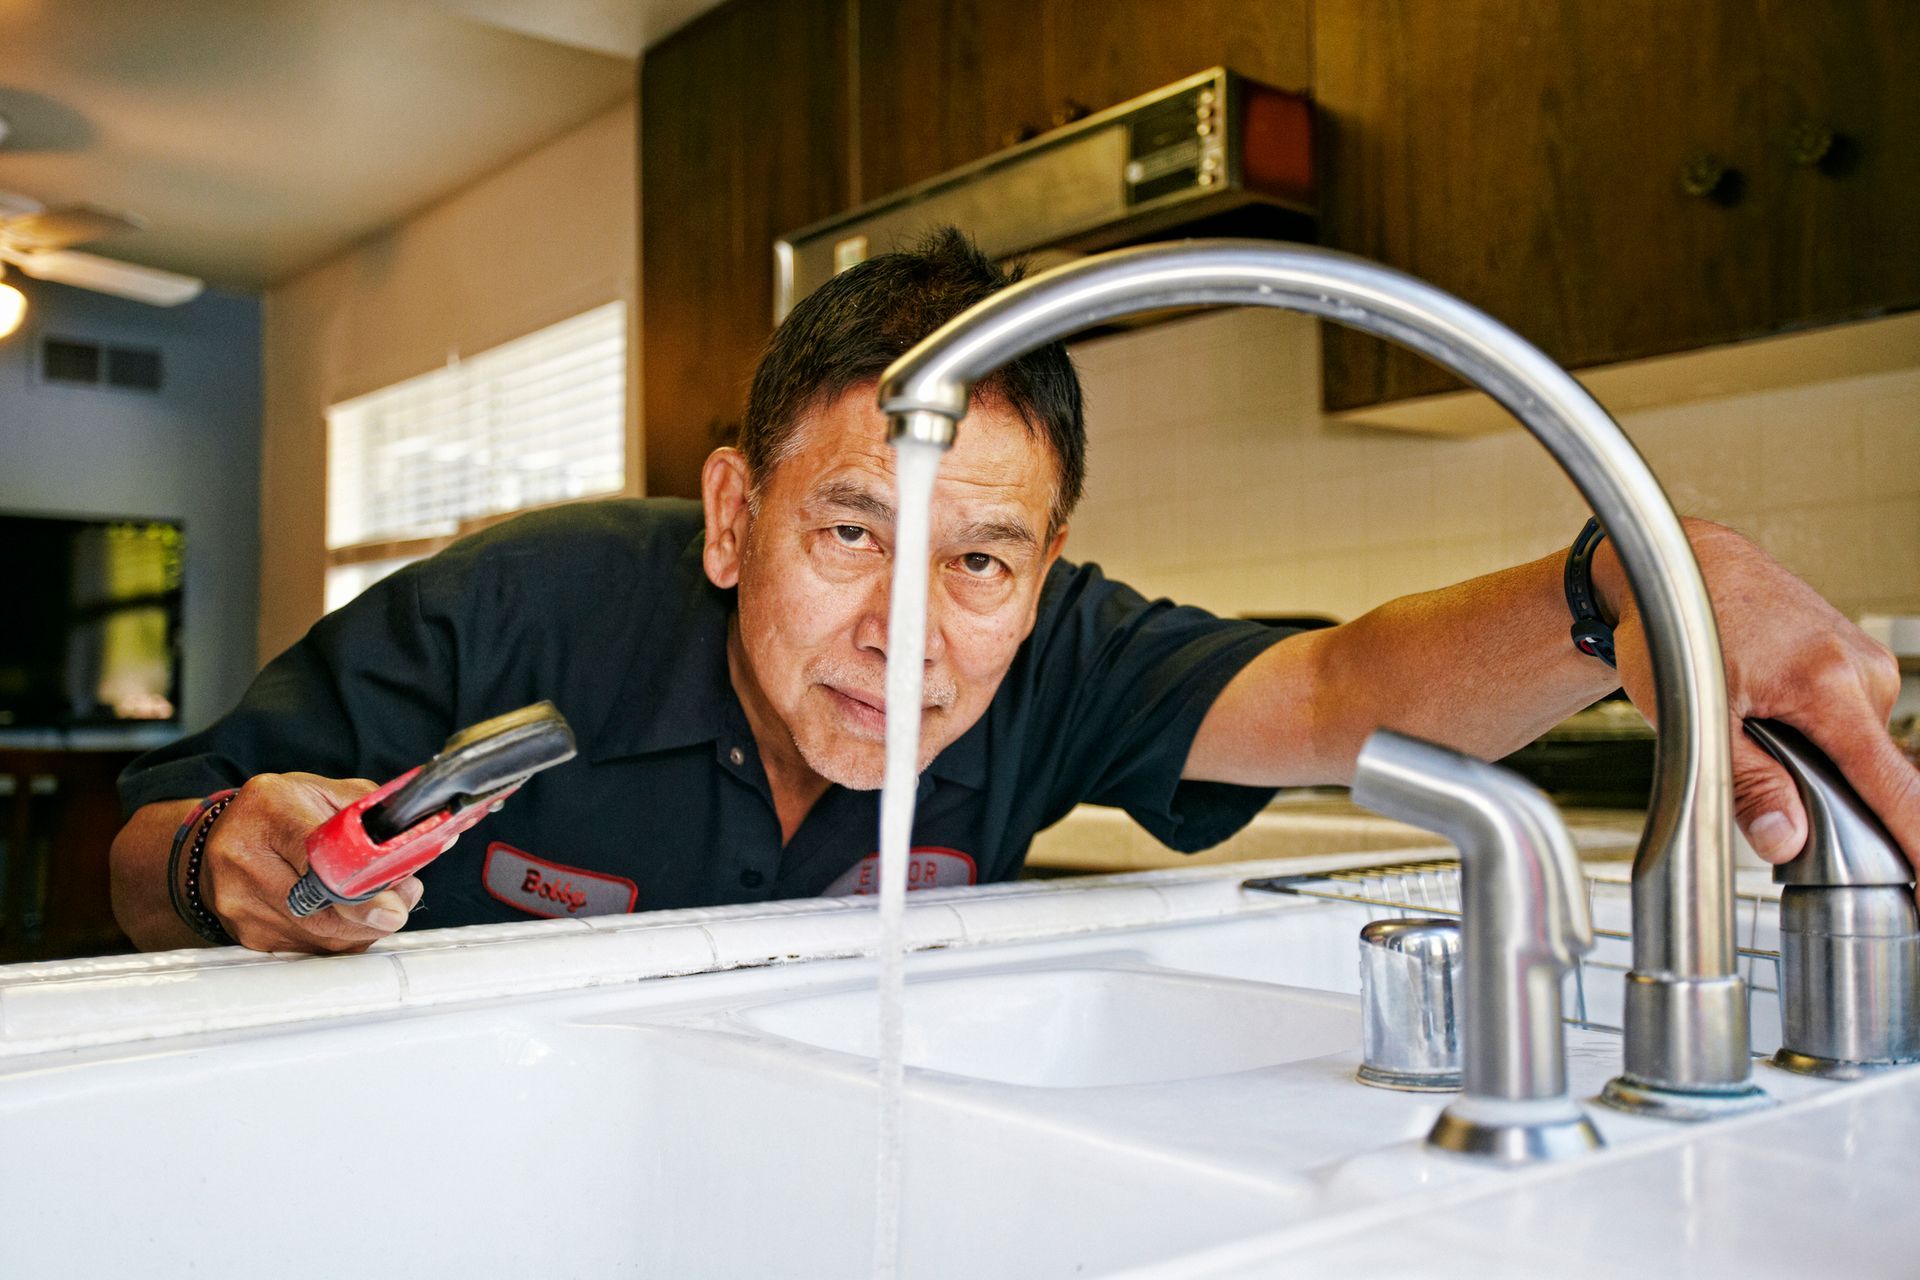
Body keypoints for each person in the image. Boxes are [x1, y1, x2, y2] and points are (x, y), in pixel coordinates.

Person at [109, 230, 1918, 953]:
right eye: (850, 533)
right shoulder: (517, 608)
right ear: (732, 516)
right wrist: (220, 861)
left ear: (1042, 570)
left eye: (982, 559)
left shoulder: (1057, 656)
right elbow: (113, 855)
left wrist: (1626, 595)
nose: (914, 627)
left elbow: (1338, 683)